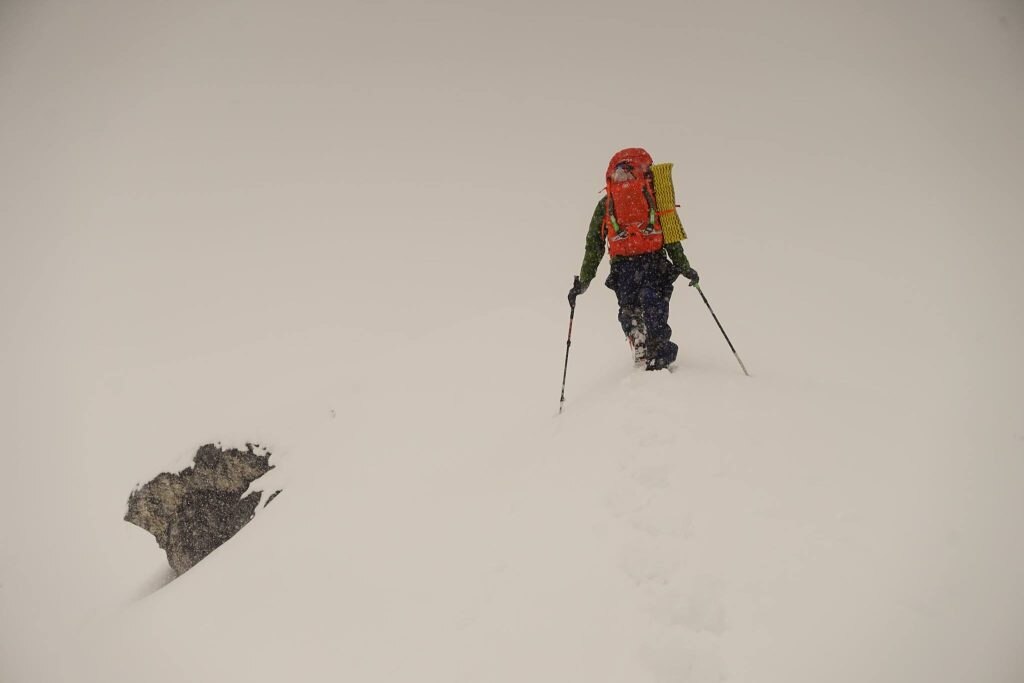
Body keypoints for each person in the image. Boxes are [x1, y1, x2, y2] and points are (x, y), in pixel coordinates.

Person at [568, 148, 699, 371]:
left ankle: (635, 331)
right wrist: (684, 267)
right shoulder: (655, 198)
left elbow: (594, 244)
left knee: (629, 306)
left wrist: (584, 281)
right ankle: (659, 353)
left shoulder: (607, 204)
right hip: (653, 261)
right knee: (655, 302)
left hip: (623, 267)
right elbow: (671, 236)